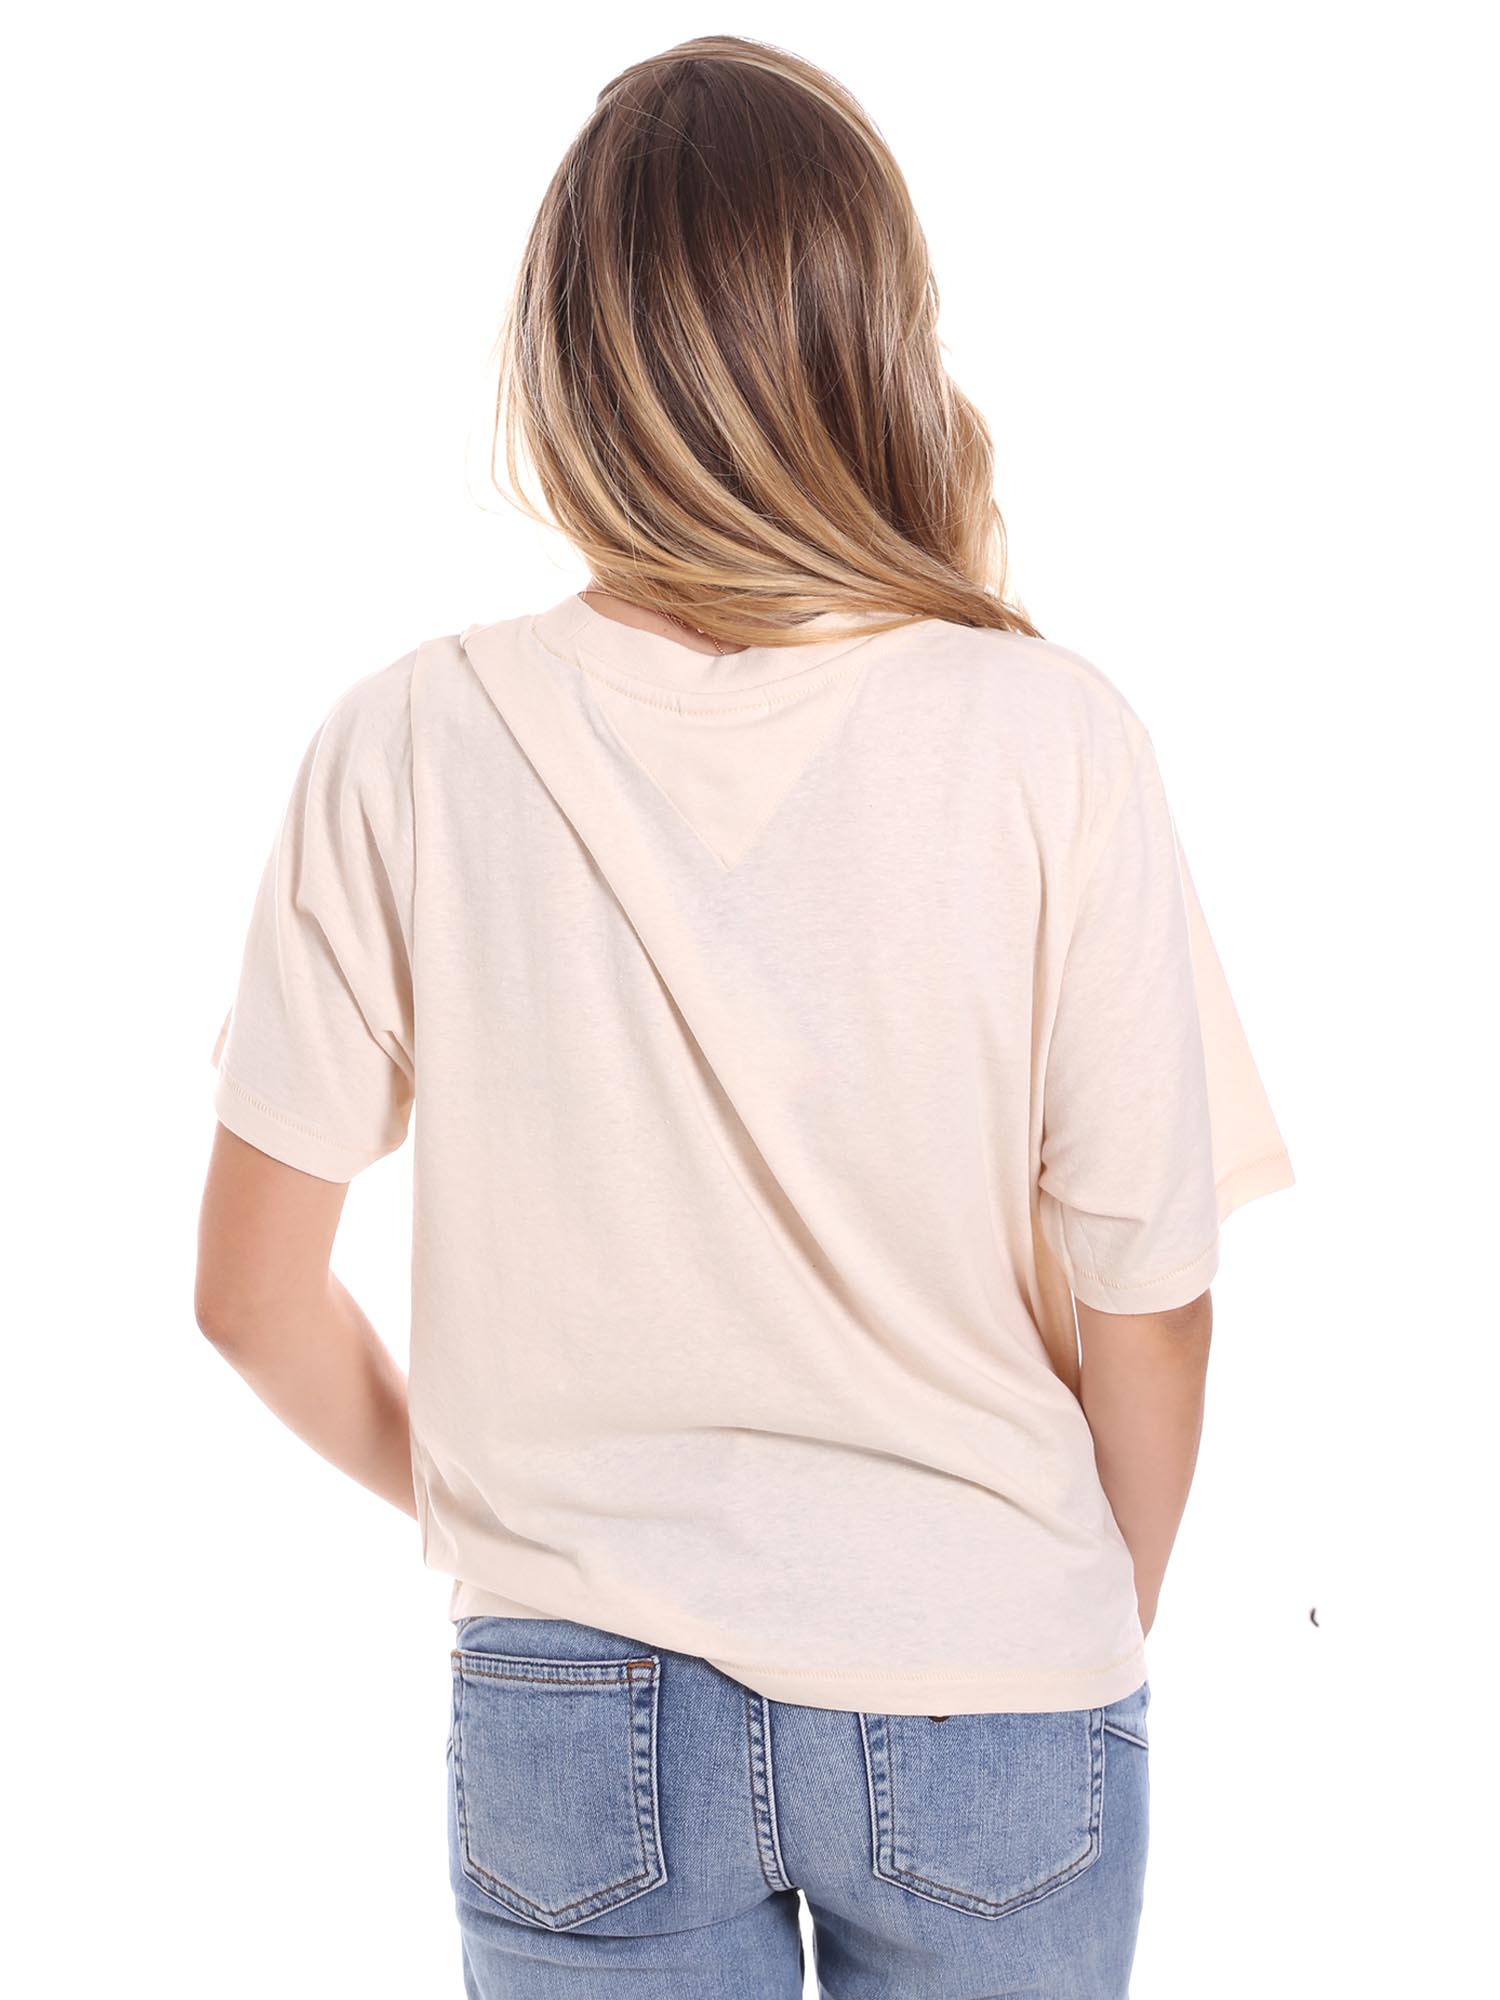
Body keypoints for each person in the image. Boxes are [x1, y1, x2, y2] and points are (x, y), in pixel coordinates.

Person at [194, 33, 1294, 2000]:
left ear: (566, 363)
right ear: (877, 338)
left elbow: (248, 1297)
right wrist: (1075, 1606)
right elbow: (1155, 1297)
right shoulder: (1052, 738)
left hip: (570, 1701)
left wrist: (516, 1522)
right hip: (994, 1673)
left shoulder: (411, 741)